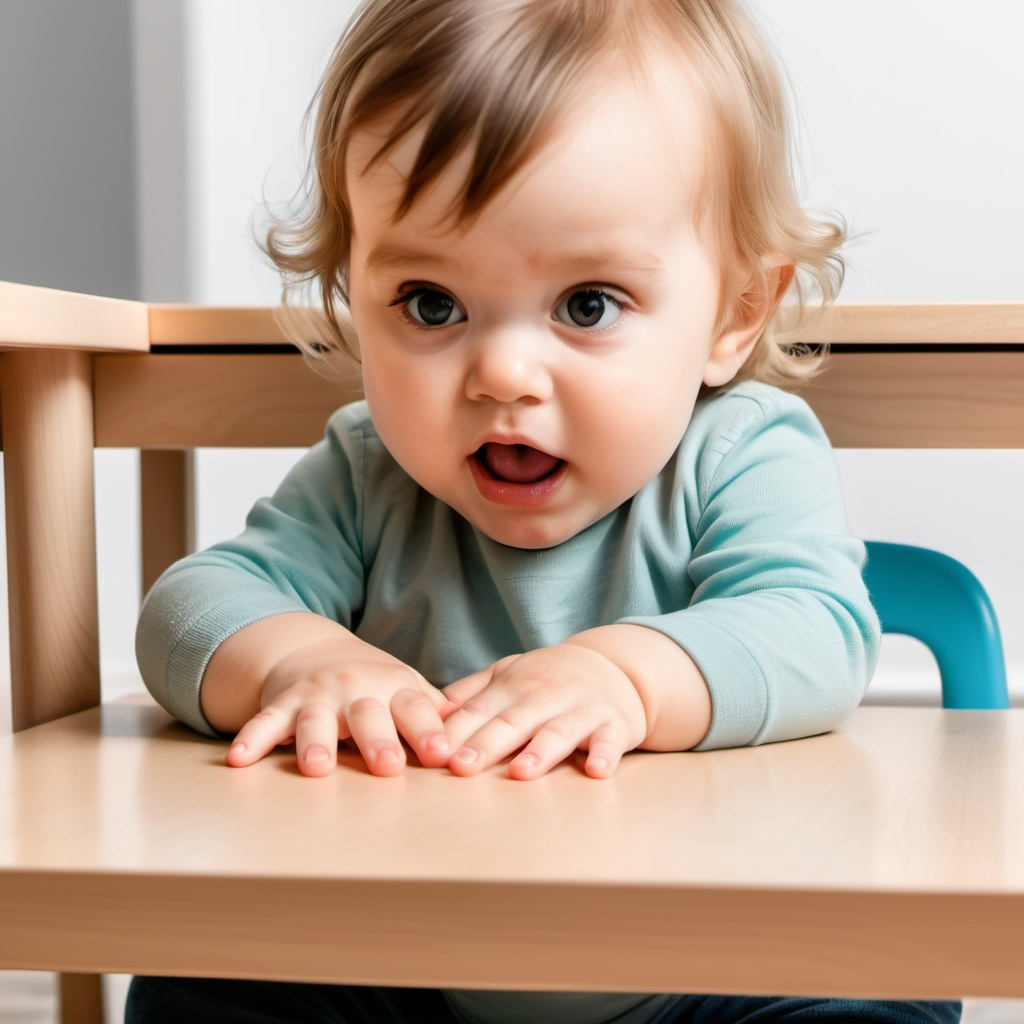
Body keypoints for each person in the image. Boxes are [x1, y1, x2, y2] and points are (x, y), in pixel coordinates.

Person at [128, 0, 960, 1022]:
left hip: (714, 962)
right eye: (431, 304)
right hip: (406, 962)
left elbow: (815, 629)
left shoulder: (739, 450)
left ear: (735, 314)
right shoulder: (365, 471)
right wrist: (298, 660)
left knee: (876, 979)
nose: (502, 374)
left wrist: (626, 675)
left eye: (587, 304)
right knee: (193, 978)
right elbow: (190, 604)